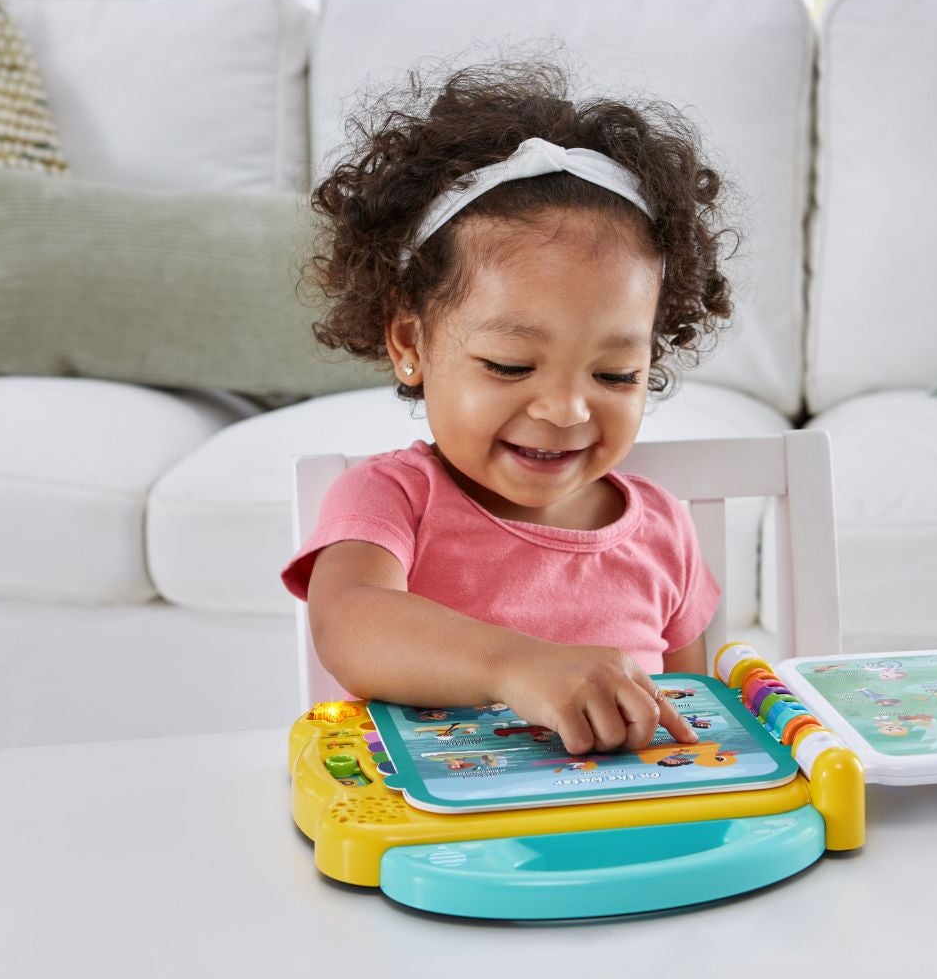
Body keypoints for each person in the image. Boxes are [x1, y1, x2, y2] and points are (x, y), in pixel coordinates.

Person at [280, 58, 737, 760]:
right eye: (510, 366)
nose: (565, 410)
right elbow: (349, 624)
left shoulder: (664, 530)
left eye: (615, 374)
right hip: (441, 824)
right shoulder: (393, 500)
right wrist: (516, 666)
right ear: (410, 344)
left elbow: (694, 725)